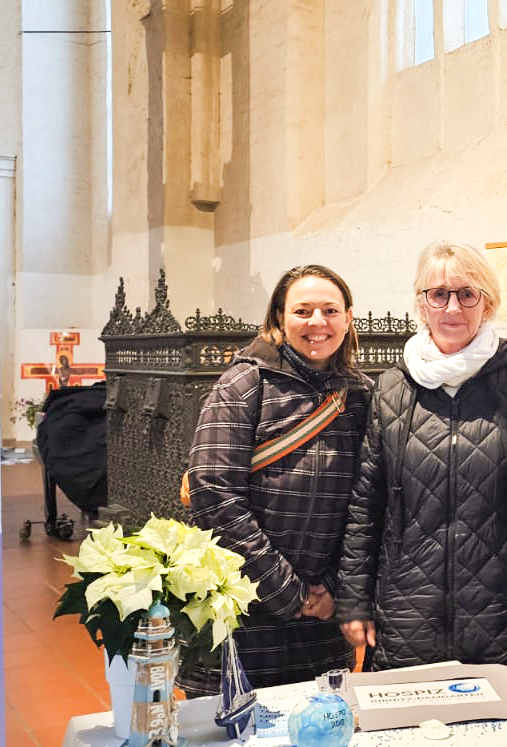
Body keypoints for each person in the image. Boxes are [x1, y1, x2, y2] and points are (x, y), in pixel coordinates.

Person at [335, 240, 507, 722]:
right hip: (407, 615)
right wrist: (354, 599)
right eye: (438, 294)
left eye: (466, 294)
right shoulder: (393, 389)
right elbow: (365, 505)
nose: (452, 307)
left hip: (505, 618)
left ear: (488, 302)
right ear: (420, 303)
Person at [181, 264, 372, 693]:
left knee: (323, 728)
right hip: (242, 608)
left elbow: (370, 499)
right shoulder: (246, 383)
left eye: (330, 310)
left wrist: (334, 592)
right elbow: (213, 491)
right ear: (280, 320)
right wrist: (289, 592)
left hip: (323, 620)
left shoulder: (359, 395)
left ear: (348, 319)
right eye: (303, 311)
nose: (317, 322)